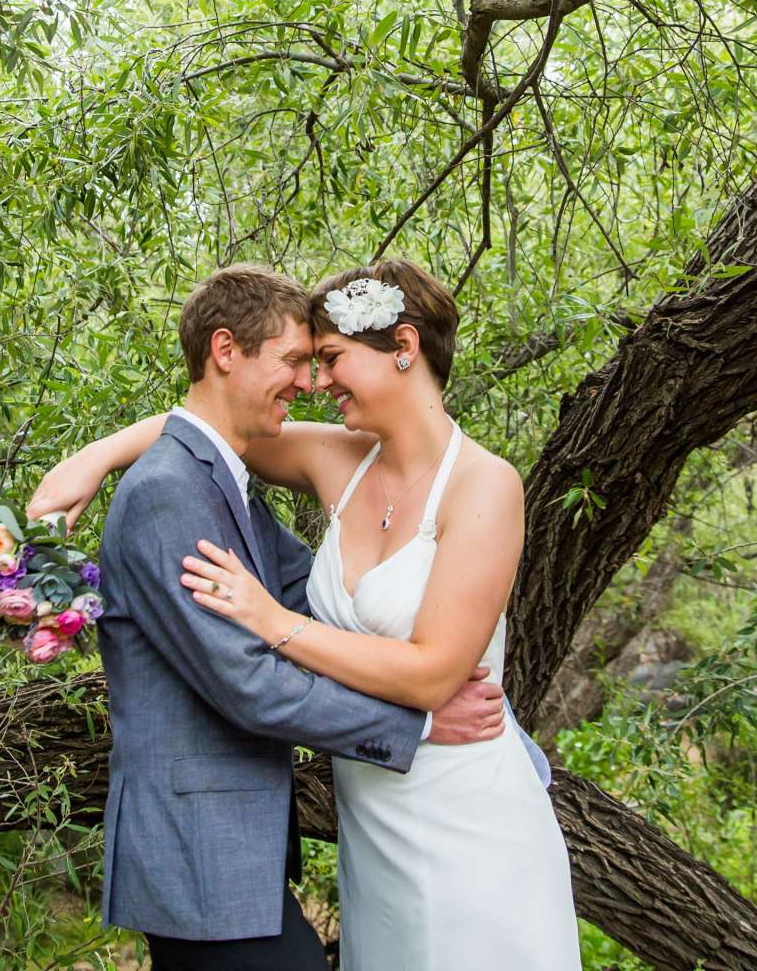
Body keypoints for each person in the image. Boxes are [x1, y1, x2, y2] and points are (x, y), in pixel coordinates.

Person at [31, 258, 580, 971]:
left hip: (458, 796)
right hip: (376, 820)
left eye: (327, 359)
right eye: (303, 362)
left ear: (404, 349)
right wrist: (98, 456)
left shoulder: (484, 484)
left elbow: (431, 678)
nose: (316, 383)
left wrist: (272, 620)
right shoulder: (339, 463)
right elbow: (212, 427)